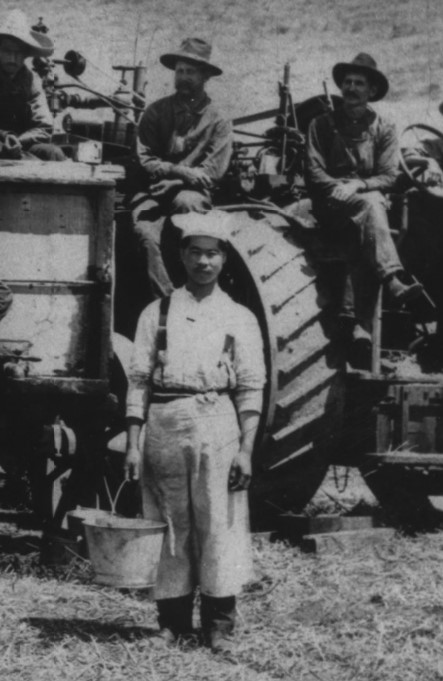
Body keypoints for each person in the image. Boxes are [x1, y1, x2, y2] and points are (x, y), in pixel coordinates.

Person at [124, 210, 266, 654]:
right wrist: (133, 443)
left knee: (218, 523)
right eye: (196, 253)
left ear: (224, 260)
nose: (204, 262)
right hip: (165, 423)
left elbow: (250, 387)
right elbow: (139, 380)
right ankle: (171, 624)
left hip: (217, 421)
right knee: (169, 522)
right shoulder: (157, 311)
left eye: (213, 254)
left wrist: (246, 450)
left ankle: (219, 627)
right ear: (182, 256)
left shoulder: (238, 316)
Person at [305, 53, 422, 351]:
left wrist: (359, 184)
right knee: (371, 208)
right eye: (347, 82)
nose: (352, 88)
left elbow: (390, 176)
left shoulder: (383, 127)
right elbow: (313, 171)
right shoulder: (321, 124)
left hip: (366, 208)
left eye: (359, 83)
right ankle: (392, 278)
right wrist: (338, 188)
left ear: (371, 92)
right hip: (330, 206)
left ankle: (359, 327)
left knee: (368, 217)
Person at [130, 38, 233, 301]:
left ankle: (195, 292)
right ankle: (165, 301)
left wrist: (177, 183)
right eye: (180, 71)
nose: (183, 77)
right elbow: (145, 159)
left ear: (205, 75)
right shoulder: (156, 112)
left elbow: (213, 171)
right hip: (152, 192)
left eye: (191, 72)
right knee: (145, 233)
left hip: (192, 193)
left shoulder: (219, 119)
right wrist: (183, 173)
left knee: (188, 205)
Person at [0, 9, 65, 161]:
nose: (13, 58)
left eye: (19, 52)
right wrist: (5, 136)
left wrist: (19, 141)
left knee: (53, 153)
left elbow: (44, 127)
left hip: (22, 143)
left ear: (26, 54)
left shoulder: (31, 81)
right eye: (7, 51)